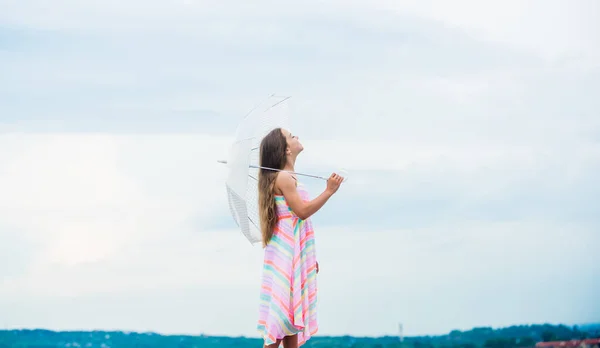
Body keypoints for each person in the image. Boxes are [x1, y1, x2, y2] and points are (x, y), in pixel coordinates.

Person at [256, 128, 344, 348]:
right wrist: (329, 191)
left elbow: (299, 221)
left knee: (290, 320)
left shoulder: (288, 178)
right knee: (281, 317)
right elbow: (302, 212)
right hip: (286, 252)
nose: (297, 137)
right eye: (291, 136)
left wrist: (305, 259)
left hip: (292, 251)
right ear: (285, 149)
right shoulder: (284, 178)